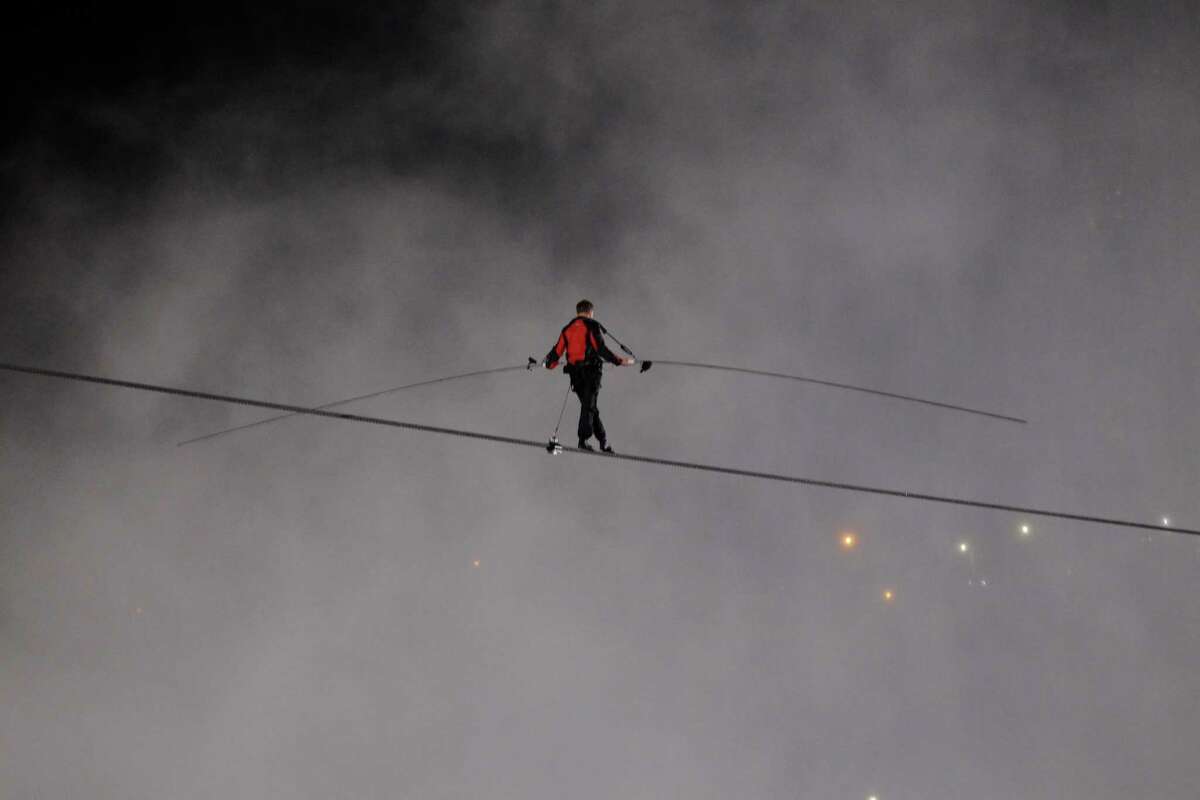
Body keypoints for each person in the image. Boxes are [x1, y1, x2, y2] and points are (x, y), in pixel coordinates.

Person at [543, 299, 635, 452]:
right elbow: (601, 349)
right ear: (590, 312)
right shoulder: (591, 325)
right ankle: (583, 439)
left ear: (578, 312)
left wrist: (548, 364)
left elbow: (556, 354)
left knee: (590, 407)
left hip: (575, 376)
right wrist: (620, 361)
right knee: (589, 406)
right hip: (591, 373)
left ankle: (603, 441)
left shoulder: (567, 329)